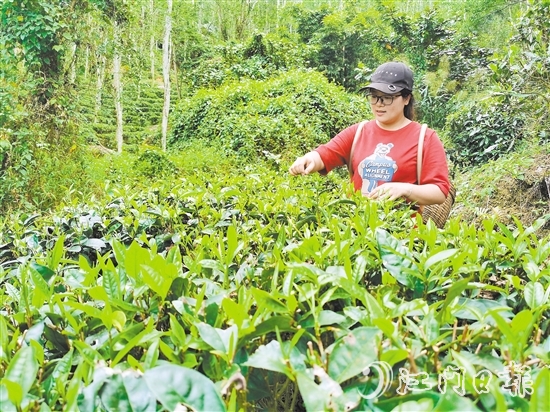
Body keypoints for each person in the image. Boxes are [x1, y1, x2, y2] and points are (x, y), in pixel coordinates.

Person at [289, 61, 451, 208]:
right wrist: (308, 159)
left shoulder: (425, 138)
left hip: (402, 235)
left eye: (387, 97)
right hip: (358, 230)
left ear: (406, 98)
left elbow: (439, 191)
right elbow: (324, 155)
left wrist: (404, 189)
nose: (379, 104)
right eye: (374, 97)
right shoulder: (358, 132)